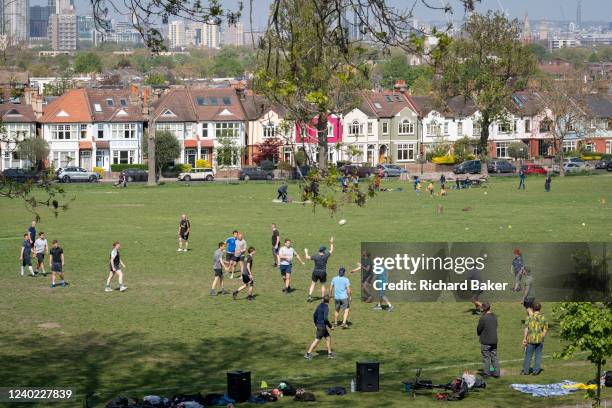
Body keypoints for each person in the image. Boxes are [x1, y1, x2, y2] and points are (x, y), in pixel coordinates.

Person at [304, 295, 335, 360]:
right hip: (322, 327)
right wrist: (330, 326)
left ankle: (329, 354)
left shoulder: (319, 305)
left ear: (323, 300)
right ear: (328, 301)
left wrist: (316, 324)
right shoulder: (326, 308)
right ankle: (308, 354)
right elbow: (325, 319)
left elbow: (314, 315)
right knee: (317, 340)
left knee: (328, 338)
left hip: (319, 325)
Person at [521, 302, 548, 375]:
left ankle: (526, 371)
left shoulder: (529, 318)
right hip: (539, 340)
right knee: (538, 356)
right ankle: (536, 371)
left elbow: (526, 328)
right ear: (540, 309)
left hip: (530, 340)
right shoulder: (543, 318)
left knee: (528, 356)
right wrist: (542, 337)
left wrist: (524, 338)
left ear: (532, 309)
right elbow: (545, 329)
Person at [304, 237, 334, 302]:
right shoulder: (326, 255)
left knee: (313, 284)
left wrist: (306, 251)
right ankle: (323, 298)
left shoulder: (315, 256)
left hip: (315, 272)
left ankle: (309, 296)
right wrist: (331, 242)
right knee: (323, 285)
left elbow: (306, 257)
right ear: (323, 251)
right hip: (323, 272)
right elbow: (331, 250)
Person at [476, 302, 500, 378]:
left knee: (486, 358)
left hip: (485, 341)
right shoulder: (494, 316)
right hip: (494, 340)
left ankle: (487, 373)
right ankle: (497, 373)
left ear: (483, 309)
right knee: (494, 357)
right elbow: (496, 326)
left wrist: (479, 333)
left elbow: (479, 328)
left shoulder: (483, 318)